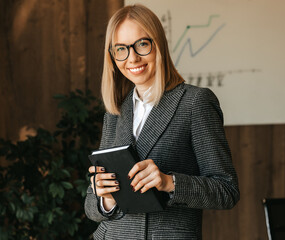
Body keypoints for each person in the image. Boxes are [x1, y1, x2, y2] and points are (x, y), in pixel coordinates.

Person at [84, 4, 239, 240]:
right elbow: (91, 208)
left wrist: (169, 182)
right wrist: (104, 198)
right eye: (121, 49)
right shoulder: (116, 110)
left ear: (159, 45)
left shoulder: (195, 102)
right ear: (113, 56)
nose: (132, 58)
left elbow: (226, 191)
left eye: (142, 44)